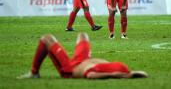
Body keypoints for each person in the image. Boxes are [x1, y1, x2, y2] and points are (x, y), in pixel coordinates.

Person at [17, 33, 148, 79]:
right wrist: (129, 74)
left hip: (71, 69)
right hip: (84, 60)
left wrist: (115, 75)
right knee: (83, 35)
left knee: (47, 38)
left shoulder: (98, 72)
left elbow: (91, 76)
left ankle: (34, 73)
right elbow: (143, 73)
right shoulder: (123, 69)